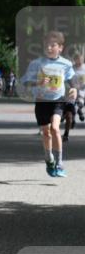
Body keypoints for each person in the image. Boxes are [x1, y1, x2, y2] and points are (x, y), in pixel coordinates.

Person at [21, 31, 77, 177]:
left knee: (55, 129)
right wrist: (38, 82)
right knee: (46, 133)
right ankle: (49, 158)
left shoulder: (66, 64)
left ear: (61, 48)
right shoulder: (36, 63)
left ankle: (59, 163)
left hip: (58, 101)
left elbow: (71, 80)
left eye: (53, 45)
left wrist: (74, 89)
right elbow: (25, 81)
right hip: (41, 102)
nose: (49, 48)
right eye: (47, 45)